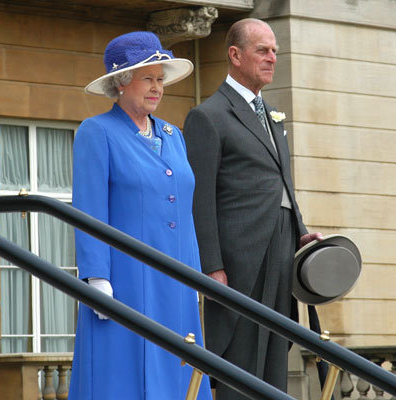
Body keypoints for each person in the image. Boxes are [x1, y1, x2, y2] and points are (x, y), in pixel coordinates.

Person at [183, 18, 323, 398]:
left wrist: (300, 233)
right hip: (238, 262)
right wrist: (211, 267)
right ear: (235, 55)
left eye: (274, 50)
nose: (272, 57)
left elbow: (281, 186)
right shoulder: (207, 116)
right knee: (239, 367)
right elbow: (201, 198)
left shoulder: (274, 118)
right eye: (262, 50)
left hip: (280, 253)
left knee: (275, 359)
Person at [68, 31, 212, 400]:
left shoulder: (173, 135)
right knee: (123, 376)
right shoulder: (96, 132)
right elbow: (89, 210)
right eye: (147, 78)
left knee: (179, 372)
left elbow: (184, 206)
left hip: (176, 280)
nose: (157, 88)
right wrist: (96, 278)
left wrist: (197, 274)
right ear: (121, 82)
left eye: (160, 79)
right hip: (125, 280)